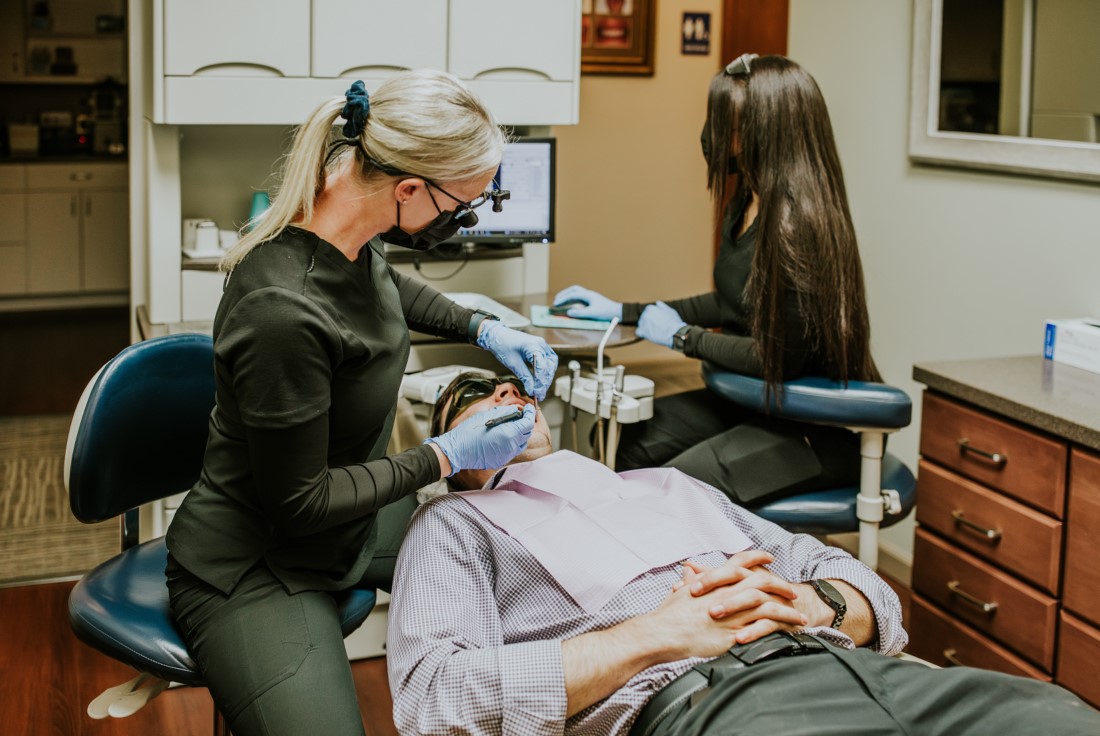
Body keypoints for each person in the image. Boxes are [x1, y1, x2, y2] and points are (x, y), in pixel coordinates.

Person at [164, 71, 558, 736]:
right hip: (260, 561)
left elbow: (382, 286)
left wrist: (482, 327)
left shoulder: (347, 225)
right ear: (408, 190)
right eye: (460, 207)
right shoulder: (281, 312)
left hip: (350, 522)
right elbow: (301, 502)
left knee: (523, 574)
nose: (460, 222)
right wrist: (445, 455)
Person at [386, 373, 1100, 736]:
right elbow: (432, 700)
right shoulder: (455, 523)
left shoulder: (665, 485)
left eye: (511, 387)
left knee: (1057, 716)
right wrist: (656, 636)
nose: (504, 392)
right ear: (453, 454)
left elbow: (860, 586)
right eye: (474, 399)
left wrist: (818, 605)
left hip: (848, 666)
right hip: (713, 703)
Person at [553, 54, 880, 507]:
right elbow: (732, 302)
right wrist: (624, 311)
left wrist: (682, 338)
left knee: (674, 491)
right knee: (626, 439)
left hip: (810, 431)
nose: (712, 134)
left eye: (727, 122)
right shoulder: (747, 201)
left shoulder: (799, 226)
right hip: (750, 404)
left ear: (766, 130)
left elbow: (778, 359)